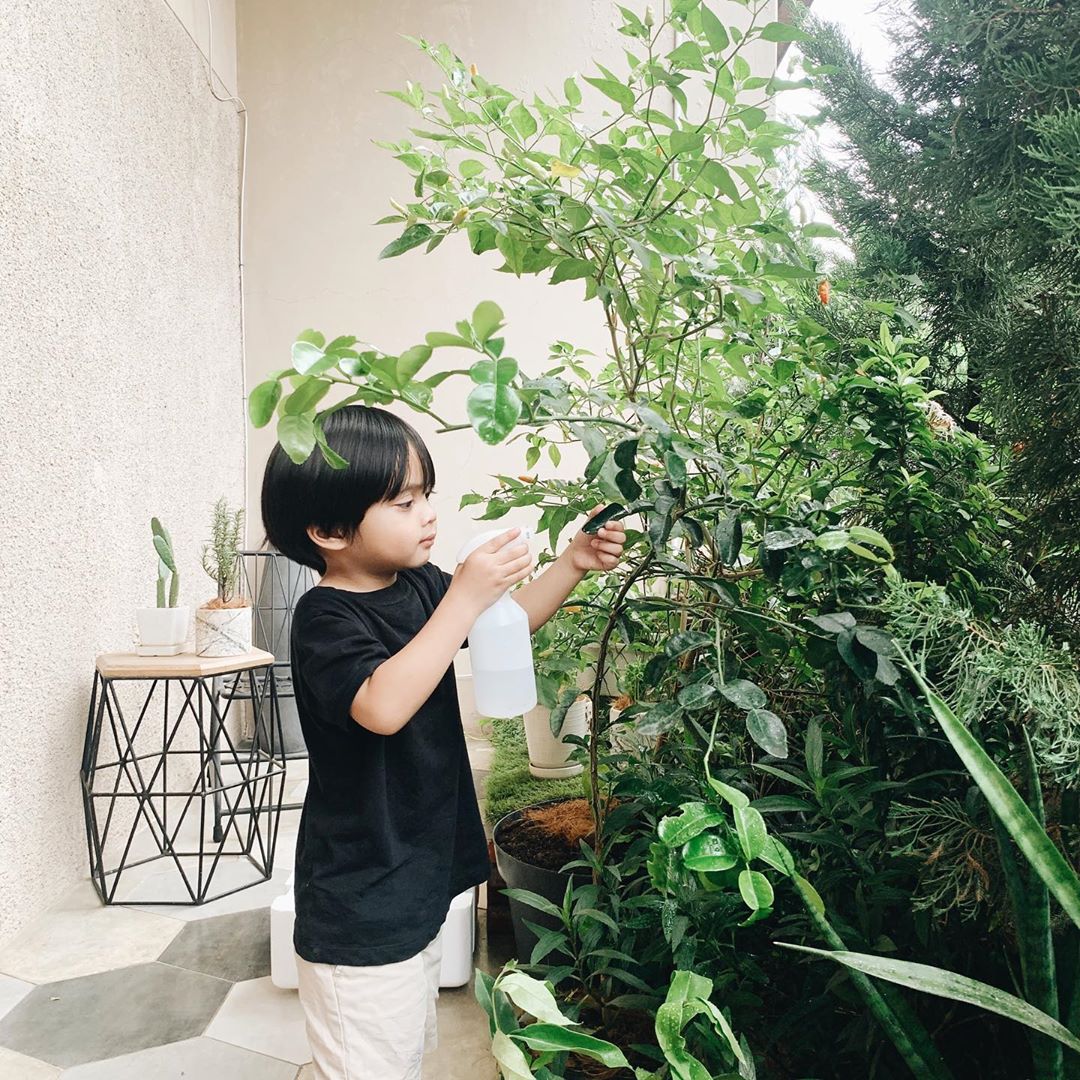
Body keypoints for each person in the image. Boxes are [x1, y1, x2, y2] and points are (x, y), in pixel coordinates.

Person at [260, 404, 627, 1080]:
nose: (428, 514)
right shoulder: (324, 616)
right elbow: (381, 706)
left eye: (426, 494)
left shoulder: (418, 586)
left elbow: (504, 623)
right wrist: (462, 598)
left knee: (397, 1054)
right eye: (404, 502)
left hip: (413, 877)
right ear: (329, 530)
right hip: (360, 899)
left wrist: (574, 561)